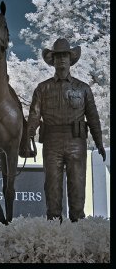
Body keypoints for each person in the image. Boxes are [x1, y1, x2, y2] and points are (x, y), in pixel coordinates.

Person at [26, 38, 106, 223]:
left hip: (76, 141)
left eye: (65, 55)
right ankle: (55, 233)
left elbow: (93, 117)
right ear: (52, 60)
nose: (62, 59)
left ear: (71, 59)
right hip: (51, 142)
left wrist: (99, 142)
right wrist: (28, 137)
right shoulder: (42, 88)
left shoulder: (83, 88)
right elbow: (34, 115)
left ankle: (77, 231)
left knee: (77, 188)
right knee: (52, 189)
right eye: (58, 56)